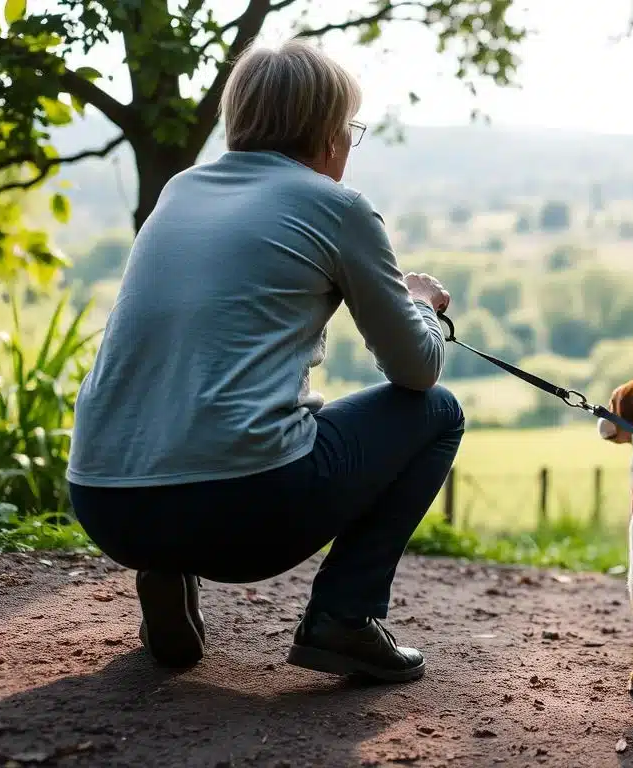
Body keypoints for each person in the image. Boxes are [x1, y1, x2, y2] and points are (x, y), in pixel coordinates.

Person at [66, 38, 463, 683]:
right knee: (437, 412)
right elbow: (416, 371)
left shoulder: (181, 191)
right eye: (350, 130)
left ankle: (165, 564)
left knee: (200, 403)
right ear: (328, 133)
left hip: (105, 498)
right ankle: (344, 616)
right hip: (243, 512)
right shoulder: (338, 207)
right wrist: (423, 306)